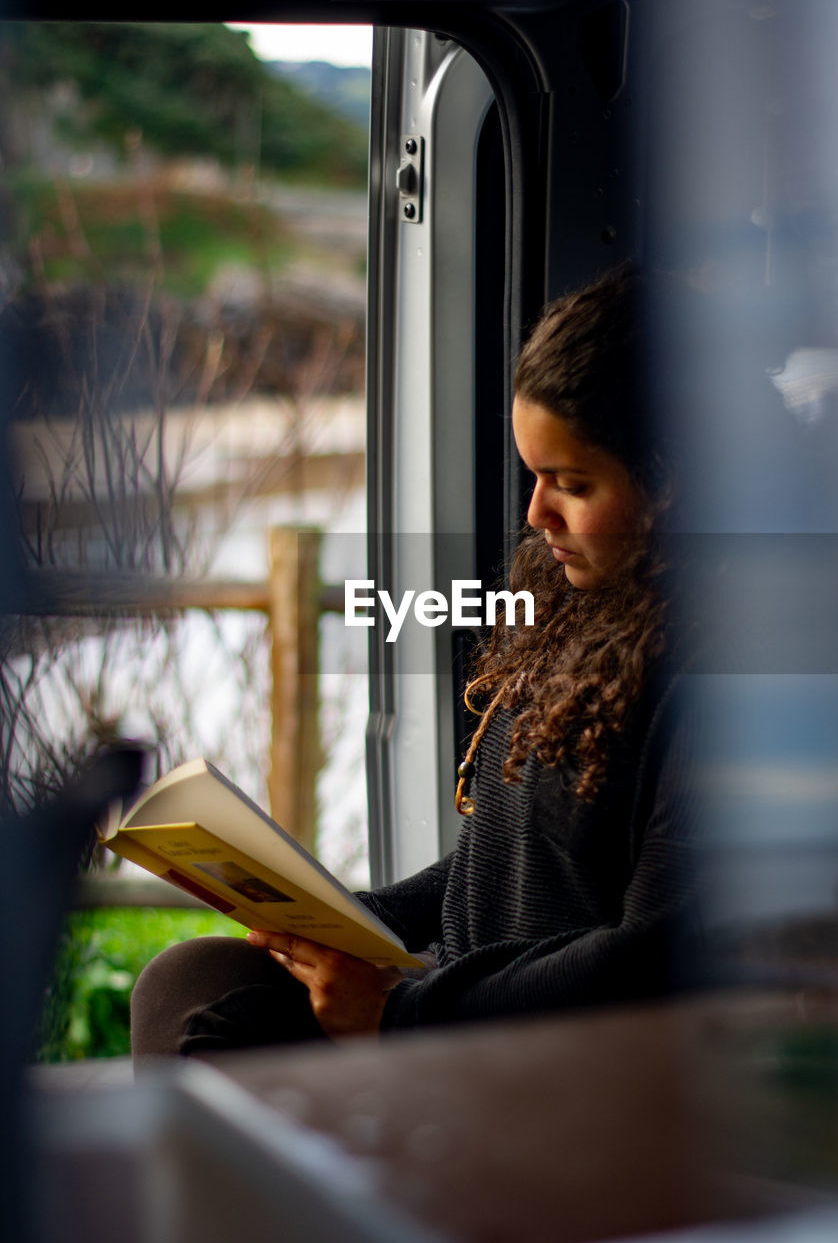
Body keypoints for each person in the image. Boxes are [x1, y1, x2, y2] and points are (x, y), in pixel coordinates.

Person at [131, 264, 701, 1058]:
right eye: (535, 476)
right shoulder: (583, 600)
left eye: (570, 483)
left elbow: (654, 959)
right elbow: (500, 858)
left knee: (217, 1037)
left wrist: (401, 1013)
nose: (536, 515)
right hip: (446, 997)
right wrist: (351, 924)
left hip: (542, 1047)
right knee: (190, 977)